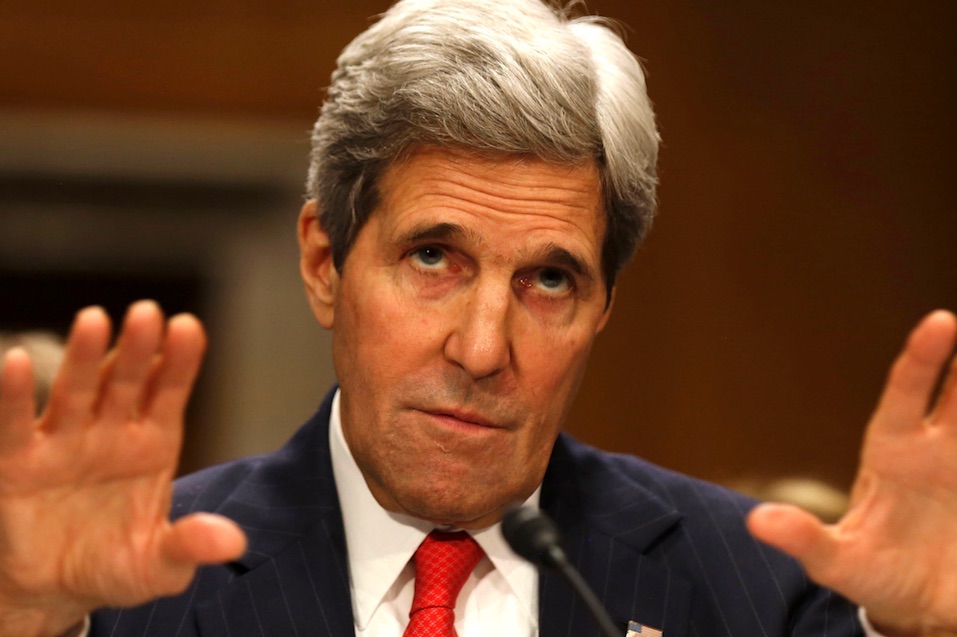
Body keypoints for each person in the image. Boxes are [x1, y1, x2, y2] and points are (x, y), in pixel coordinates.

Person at [0, 0, 955, 635]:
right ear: (325, 263)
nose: (484, 348)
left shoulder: (761, 592)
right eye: (432, 258)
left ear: (603, 308)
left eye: (549, 280)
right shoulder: (116, 595)